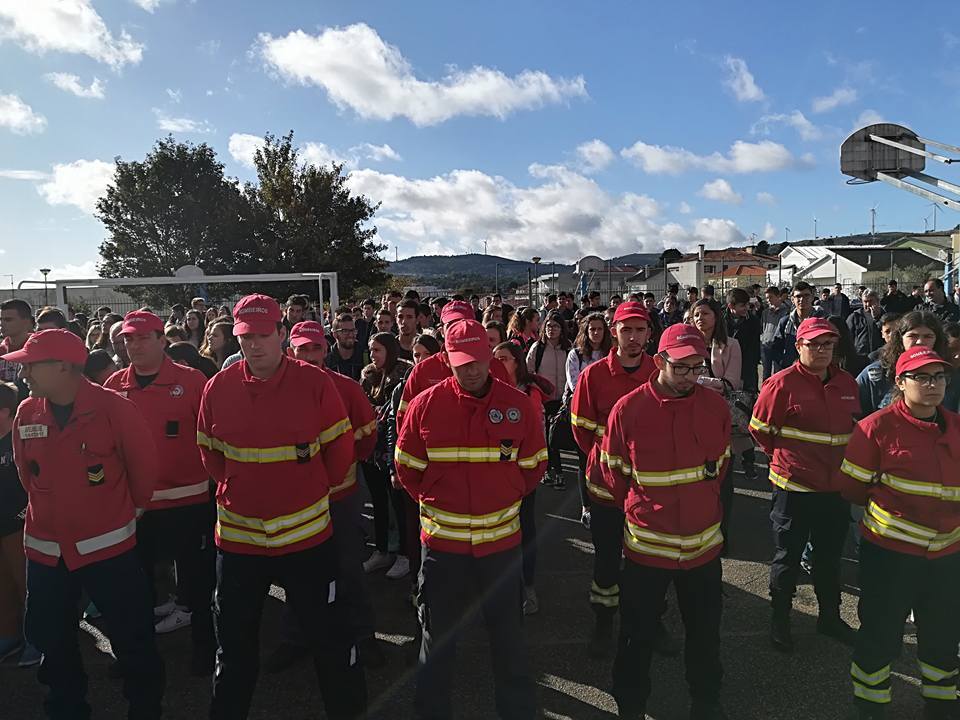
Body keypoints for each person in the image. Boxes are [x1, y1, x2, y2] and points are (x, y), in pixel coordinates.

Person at [196, 294, 366, 719]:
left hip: (307, 541)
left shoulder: (315, 383)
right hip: (239, 543)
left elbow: (339, 453)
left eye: (262, 335)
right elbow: (210, 454)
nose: (254, 345)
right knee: (234, 648)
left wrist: (306, 490)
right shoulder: (218, 387)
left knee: (330, 643)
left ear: (281, 333)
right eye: (245, 336)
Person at [5, 329, 164, 718]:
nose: (23, 373)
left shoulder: (114, 408)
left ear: (63, 367)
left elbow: (143, 472)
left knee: (132, 640)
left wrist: (120, 511)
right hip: (46, 554)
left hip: (108, 552)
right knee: (53, 643)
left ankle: (145, 710)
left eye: (30, 364)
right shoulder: (27, 411)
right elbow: (27, 475)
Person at [394, 319, 547, 720]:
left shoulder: (517, 405)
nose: (472, 369)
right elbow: (407, 468)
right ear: (447, 360)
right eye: (461, 361)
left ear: (489, 356)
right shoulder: (425, 406)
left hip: (500, 549)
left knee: (509, 643)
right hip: (443, 550)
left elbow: (534, 466)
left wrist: (503, 493)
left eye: (478, 359)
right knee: (437, 643)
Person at [599, 323, 731, 720]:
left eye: (697, 367)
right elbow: (613, 475)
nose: (690, 376)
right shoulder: (628, 410)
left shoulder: (715, 407)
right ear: (659, 362)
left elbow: (720, 469)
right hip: (647, 553)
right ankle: (631, 707)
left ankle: (706, 704)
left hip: (703, 553)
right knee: (636, 639)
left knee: (705, 639)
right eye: (681, 367)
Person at [837, 346, 960, 720]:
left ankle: (941, 703)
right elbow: (853, 488)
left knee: (942, 635)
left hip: (946, 556)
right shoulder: (875, 428)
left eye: (938, 377)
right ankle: (871, 706)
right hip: (890, 556)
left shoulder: (957, 428)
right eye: (921, 377)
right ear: (900, 382)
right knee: (880, 635)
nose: (932, 384)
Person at [266, 321, 382, 673]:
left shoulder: (347, 388)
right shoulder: (274, 391)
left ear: (326, 350)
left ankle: (363, 635)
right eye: (302, 349)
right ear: (291, 351)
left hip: (340, 497)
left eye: (316, 348)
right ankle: (295, 637)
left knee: (348, 567)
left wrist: (339, 466)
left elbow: (367, 437)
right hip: (295, 500)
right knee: (296, 570)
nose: (310, 355)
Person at [103, 311, 215, 674]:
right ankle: (139, 655)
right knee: (138, 587)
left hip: (189, 503)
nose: (133, 345)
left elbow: (212, 434)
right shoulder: (114, 385)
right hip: (137, 507)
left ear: (161, 340)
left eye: (142, 338)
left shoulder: (191, 380)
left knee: (198, 582)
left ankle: (205, 648)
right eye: (128, 339)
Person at [749, 318, 860, 654]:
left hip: (834, 489)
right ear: (799, 346)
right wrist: (787, 460)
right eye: (814, 344)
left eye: (828, 344)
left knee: (829, 558)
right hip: (794, 488)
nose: (822, 350)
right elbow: (760, 430)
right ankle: (780, 619)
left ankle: (830, 618)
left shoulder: (846, 383)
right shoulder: (780, 384)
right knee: (788, 558)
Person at [571, 302, 670, 658]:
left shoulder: (659, 372)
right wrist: (608, 459)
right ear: (614, 332)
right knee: (607, 560)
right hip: (606, 490)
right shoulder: (593, 376)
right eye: (626, 330)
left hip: (649, 487)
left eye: (640, 330)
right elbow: (581, 431)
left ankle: (652, 621)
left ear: (649, 334)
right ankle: (603, 622)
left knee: (651, 561)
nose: (633, 337)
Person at [493, 341, 554, 617]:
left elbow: (532, 435)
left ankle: (527, 586)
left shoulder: (529, 393)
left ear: (517, 362)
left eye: (504, 358)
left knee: (524, 529)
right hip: (494, 473)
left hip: (521, 473)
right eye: (495, 358)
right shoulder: (489, 390)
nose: (498, 364)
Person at [360, 332, 413, 575]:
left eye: (378, 350)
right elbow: (360, 407)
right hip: (371, 451)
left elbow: (394, 414)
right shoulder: (368, 376)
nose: (373, 355)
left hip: (392, 450)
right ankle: (381, 550)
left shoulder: (403, 374)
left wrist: (374, 413)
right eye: (371, 350)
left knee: (399, 506)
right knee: (379, 502)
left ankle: (404, 554)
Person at [0, 381, 38, 667]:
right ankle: (8, 634)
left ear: (5, 411)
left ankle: (36, 639)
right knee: (3, 586)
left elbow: (34, 480)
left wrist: (25, 514)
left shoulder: (20, 438)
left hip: (19, 525)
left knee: (27, 584)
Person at [856, 312, 947, 417]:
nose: (920, 341)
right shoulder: (875, 374)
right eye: (913, 336)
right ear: (900, 338)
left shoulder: (947, 371)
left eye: (928, 336)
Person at [525, 312, 570, 486]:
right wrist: (538, 390)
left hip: (563, 400)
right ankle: (553, 471)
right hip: (544, 399)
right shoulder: (538, 348)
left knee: (556, 437)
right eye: (549, 326)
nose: (552, 330)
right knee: (547, 438)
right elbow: (529, 372)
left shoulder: (568, 348)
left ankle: (553, 469)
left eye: (556, 326)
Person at [772, 282, 825, 369]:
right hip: (791, 370)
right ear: (792, 299)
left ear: (812, 297)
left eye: (806, 295)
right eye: (798, 296)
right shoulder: (785, 322)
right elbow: (776, 348)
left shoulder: (822, 321)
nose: (802, 299)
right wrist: (783, 363)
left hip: (816, 369)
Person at [724, 288, 760, 393]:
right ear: (731, 306)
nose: (747, 308)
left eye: (747, 304)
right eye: (742, 306)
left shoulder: (753, 321)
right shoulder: (720, 321)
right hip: (725, 368)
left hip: (747, 370)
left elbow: (754, 350)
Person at [1, 298, 34, 400]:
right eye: (0, 319)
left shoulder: (38, 350)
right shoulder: (1, 350)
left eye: (8, 320)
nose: (2, 324)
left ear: (26, 322)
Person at [760, 286, 789, 380]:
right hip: (766, 345)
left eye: (771, 297)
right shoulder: (765, 312)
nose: (768, 300)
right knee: (766, 373)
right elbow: (763, 327)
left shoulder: (786, 311)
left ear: (778, 296)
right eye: (767, 298)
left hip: (778, 345)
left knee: (778, 373)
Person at [847, 289, 884, 358]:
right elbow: (847, 338)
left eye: (871, 301)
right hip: (860, 356)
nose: (868, 304)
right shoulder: (855, 317)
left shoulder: (885, 316)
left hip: (880, 355)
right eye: (865, 301)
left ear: (877, 301)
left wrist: (876, 318)